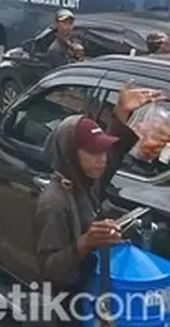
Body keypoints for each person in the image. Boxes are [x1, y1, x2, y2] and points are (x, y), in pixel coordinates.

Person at [35, 86, 168, 323]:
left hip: (87, 288)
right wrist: (85, 242)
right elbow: (49, 267)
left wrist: (120, 113)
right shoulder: (53, 202)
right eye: (94, 152)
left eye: (103, 151)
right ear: (71, 155)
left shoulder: (86, 181)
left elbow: (114, 154)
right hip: (63, 306)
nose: (102, 159)